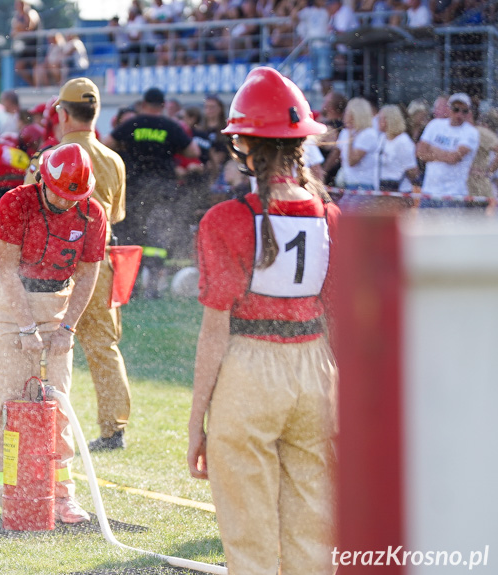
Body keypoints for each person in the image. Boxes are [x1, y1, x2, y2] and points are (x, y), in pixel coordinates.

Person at [187, 66, 338, 575]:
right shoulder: (330, 216)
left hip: (250, 370)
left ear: (245, 148)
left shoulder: (225, 220)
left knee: (248, 536)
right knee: (315, 529)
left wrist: (196, 423)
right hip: (316, 370)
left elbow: (214, 332)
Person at [0, 143, 106, 524]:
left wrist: (68, 328)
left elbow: (88, 275)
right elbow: (8, 269)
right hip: (7, 302)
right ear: (44, 180)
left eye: (75, 197)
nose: (68, 204)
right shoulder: (16, 202)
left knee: (58, 406)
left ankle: (62, 495)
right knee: (12, 403)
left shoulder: (92, 213)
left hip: (57, 303)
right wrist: (25, 326)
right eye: (61, 195)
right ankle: (13, 492)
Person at [27, 78, 131, 451]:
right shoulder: (114, 160)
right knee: (103, 346)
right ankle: (113, 429)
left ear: (63, 113)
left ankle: (38, 421)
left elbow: (31, 212)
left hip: (55, 267)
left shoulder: (50, 158)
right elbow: (115, 214)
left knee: (39, 341)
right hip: (100, 262)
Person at [104, 87, 199, 298]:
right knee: (157, 239)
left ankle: (130, 287)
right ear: (163, 105)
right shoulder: (170, 126)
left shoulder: (132, 124)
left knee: (131, 237)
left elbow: (106, 145)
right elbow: (194, 151)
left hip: (134, 190)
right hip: (163, 190)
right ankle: (153, 288)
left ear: (143, 104)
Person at [416, 92, 480, 207]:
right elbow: (420, 153)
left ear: (468, 113)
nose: (459, 114)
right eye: (456, 109)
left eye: (464, 111)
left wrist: (433, 149)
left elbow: (454, 158)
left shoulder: (471, 132)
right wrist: (445, 155)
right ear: (449, 109)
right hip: (429, 191)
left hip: (454, 194)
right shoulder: (435, 125)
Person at [375, 104, 419, 205]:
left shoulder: (403, 141)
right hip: (383, 190)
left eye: (380, 118)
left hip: (400, 192)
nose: (377, 121)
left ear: (389, 120)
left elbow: (412, 171)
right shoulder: (382, 138)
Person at [335, 97, 380, 193]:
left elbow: (352, 161)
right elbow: (338, 154)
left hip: (363, 185)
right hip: (347, 182)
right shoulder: (345, 132)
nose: (344, 115)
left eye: (347, 112)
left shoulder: (368, 133)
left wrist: (350, 139)